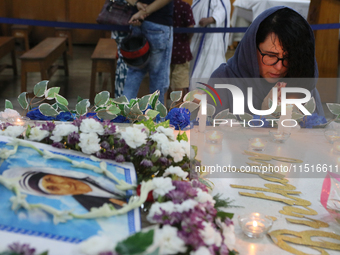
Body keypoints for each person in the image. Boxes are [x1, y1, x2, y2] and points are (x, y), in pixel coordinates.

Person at [209, 6, 324, 116]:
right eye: (271, 55)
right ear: (252, 49)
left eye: (288, 58)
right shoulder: (223, 81)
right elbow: (209, 133)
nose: (279, 67)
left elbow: (316, 131)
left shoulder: (301, 83)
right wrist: (263, 117)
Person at [4, 167, 126, 211]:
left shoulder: (96, 173)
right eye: (53, 188)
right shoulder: (92, 206)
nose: (65, 186)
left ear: (56, 174)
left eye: (50, 180)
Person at [122, 0, 174, 104]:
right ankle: (157, 118)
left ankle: (123, 115)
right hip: (158, 23)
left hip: (137, 22)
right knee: (158, 76)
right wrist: (144, 11)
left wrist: (137, 4)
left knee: (134, 71)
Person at [189, 0, 231, 89]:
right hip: (198, 35)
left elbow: (222, 10)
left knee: (211, 63)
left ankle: (207, 89)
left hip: (212, 37)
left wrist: (210, 19)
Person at [168, 0, 195, 101]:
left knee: (164, 82)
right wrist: (188, 40)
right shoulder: (185, 6)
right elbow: (190, 28)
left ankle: (165, 107)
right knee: (179, 82)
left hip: (165, 51)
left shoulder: (162, 7)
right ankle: (178, 109)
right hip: (182, 51)